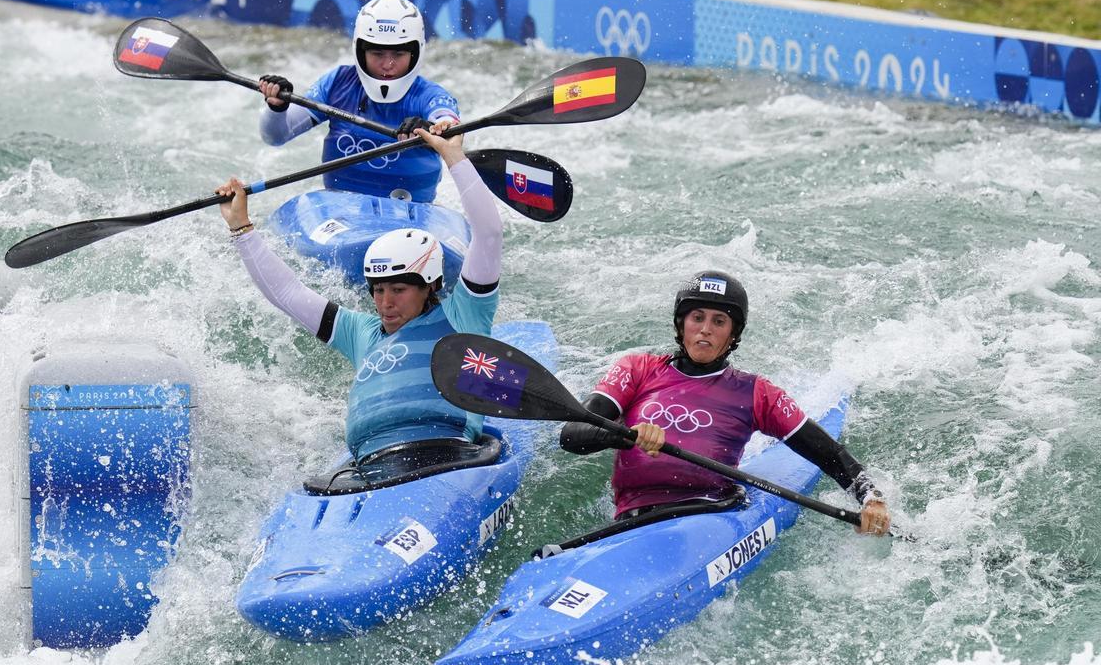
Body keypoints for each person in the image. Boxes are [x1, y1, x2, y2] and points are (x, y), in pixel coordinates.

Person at [216, 127, 500, 463]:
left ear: (430, 286)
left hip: (448, 455)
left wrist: (452, 155)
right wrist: (241, 227)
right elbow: (288, 293)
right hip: (371, 464)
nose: (385, 303)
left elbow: (489, 233)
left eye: (398, 289)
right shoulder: (361, 333)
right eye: (378, 290)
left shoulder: (463, 315)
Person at [560, 270, 892, 535]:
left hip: (710, 515)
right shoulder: (637, 369)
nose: (705, 330)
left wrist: (870, 497)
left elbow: (828, 453)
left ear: (732, 335)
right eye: (697, 318)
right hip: (633, 521)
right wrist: (624, 435)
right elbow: (572, 435)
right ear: (681, 325)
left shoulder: (756, 392)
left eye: (719, 322)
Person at [258, 0, 460, 204]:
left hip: (412, 215)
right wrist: (277, 107)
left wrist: (431, 129)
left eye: (399, 53)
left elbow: (449, 126)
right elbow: (275, 136)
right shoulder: (338, 83)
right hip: (341, 211)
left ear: (416, 52)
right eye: (377, 52)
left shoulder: (430, 95)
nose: (387, 64)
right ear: (360, 50)